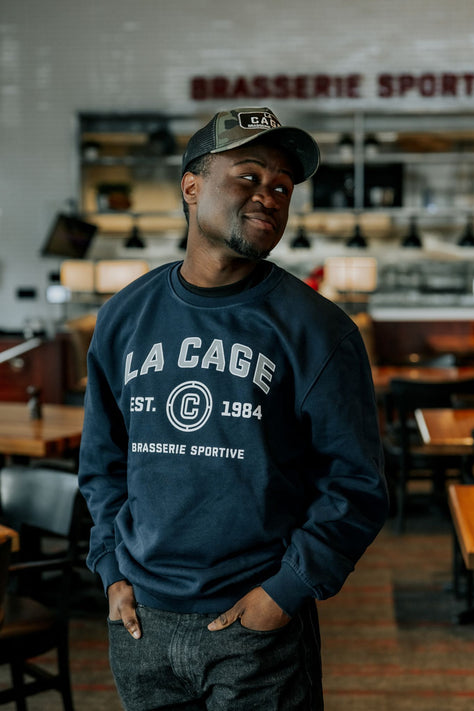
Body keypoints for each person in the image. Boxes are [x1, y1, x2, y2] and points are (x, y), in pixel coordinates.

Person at [78, 106, 389, 711]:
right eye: (248, 176)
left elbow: (356, 484)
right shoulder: (123, 317)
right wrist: (111, 569)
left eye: (281, 186)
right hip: (142, 621)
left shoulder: (319, 330)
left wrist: (286, 591)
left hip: (255, 623)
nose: (269, 195)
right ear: (191, 185)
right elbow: (102, 462)